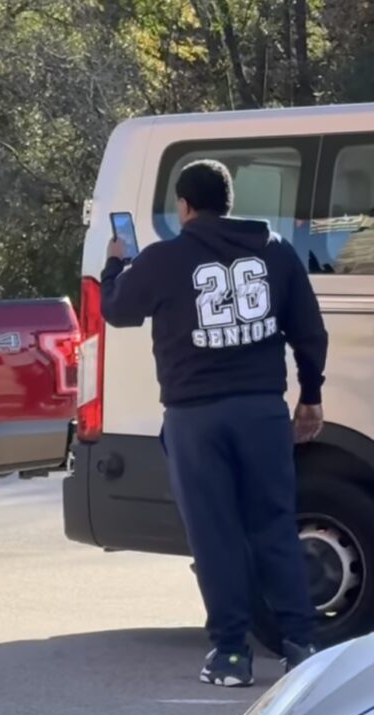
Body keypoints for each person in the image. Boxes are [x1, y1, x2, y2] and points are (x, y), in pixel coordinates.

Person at [99, 159, 329, 687]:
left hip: (195, 417)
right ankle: (302, 645)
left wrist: (115, 264)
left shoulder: (164, 258)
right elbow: (309, 330)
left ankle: (230, 655)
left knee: (214, 533)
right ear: (228, 203)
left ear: (184, 206)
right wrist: (311, 395)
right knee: (274, 525)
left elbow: (118, 310)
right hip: (262, 410)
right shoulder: (275, 250)